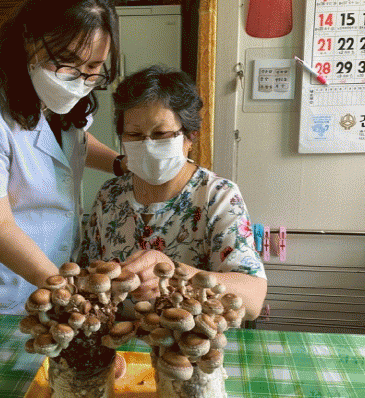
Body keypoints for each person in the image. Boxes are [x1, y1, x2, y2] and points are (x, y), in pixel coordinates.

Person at [0, 0, 126, 335]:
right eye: (66, 61)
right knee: (18, 366)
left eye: (94, 67)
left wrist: (120, 164)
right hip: (0, 281)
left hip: (54, 257)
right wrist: (63, 290)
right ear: (29, 37)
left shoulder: (60, 89)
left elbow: (69, 142)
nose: (80, 79)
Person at [79, 65, 267, 322]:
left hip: (192, 340)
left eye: (161, 134)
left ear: (190, 136)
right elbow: (87, 277)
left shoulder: (217, 196)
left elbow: (253, 299)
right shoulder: (110, 196)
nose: (147, 145)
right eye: (134, 134)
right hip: (121, 340)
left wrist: (174, 274)